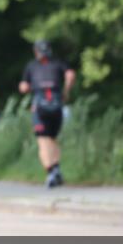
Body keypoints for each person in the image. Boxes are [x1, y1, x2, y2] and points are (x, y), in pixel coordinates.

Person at [19, 40, 76, 188]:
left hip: (40, 108)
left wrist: (28, 87)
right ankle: (56, 168)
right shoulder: (58, 63)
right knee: (53, 138)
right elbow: (70, 75)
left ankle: (50, 171)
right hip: (57, 105)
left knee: (43, 141)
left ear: (36, 51)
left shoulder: (31, 66)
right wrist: (65, 92)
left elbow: (23, 87)